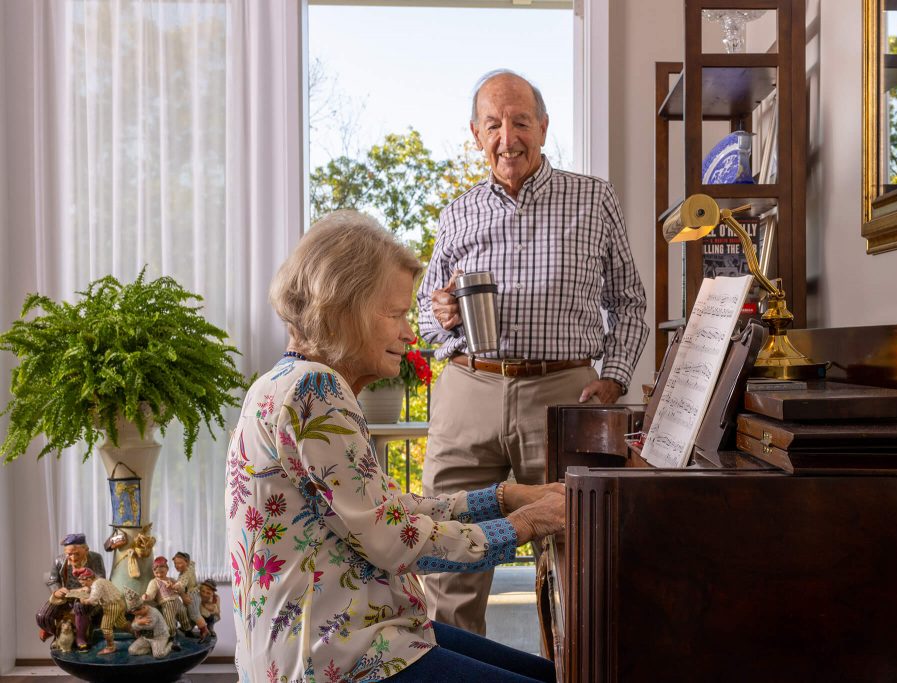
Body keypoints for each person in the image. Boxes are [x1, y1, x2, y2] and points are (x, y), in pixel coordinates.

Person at [226, 210, 564, 682]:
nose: (410, 332)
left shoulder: (280, 381)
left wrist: (504, 498)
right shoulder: (314, 391)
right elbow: (393, 540)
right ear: (343, 308)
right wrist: (525, 525)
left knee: (548, 674)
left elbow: (378, 511)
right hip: (332, 660)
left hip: (344, 637)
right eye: (396, 313)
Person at [416, 69, 649, 634]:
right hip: (468, 392)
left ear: (543, 127)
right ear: (475, 134)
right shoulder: (457, 213)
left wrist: (614, 379)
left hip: (563, 391)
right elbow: (426, 312)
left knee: (577, 554)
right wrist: (443, 317)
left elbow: (631, 304)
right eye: (493, 124)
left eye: (520, 121)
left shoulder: (594, 199)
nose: (507, 137)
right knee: (449, 559)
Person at [36, 532, 106, 649]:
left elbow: (101, 580)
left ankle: (80, 637)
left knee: (80, 606)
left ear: (86, 550)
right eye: (69, 554)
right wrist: (57, 590)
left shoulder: (96, 558)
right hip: (66, 596)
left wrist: (89, 587)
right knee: (42, 616)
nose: (73, 558)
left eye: (77, 554)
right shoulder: (59, 561)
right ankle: (54, 632)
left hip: (88, 596)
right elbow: (53, 580)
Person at [74, 567, 130, 655]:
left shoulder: (96, 584)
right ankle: (138, 633)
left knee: (105, 627)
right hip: (119, 602)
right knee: (121, 623)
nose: (83, 586)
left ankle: (110, 647)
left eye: (84, 583)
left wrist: (82, 599)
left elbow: (93, 601)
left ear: (88, 579)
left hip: (111, 605)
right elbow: (96, 593)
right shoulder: (100, 580)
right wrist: (87, 590)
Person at [143, 556, 191, 635]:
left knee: (183, 614)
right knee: (169, 620)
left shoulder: (171, 579)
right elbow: (151, 593)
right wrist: (147, 596)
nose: (159, 574)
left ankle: (187, 630)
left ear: (167, 570)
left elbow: (180, 588)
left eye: (162, 572)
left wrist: (175, 587)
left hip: (177, 601)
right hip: (167, 604)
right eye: (157, 573)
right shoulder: (154, 582)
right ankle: (171, 635)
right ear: (153, 572)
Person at [124, 588, 174, 659]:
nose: (135, 615)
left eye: (136, 613)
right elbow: (133, 627)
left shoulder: (153, 612)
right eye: (134, 614)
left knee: (158, 655)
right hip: (146, 638)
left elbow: (149, 626)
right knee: (132, 650)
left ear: (142, 608)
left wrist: (137, 623)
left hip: (159, 637)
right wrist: (138, 622)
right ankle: (150, 649)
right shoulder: (138, 615)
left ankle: (170, 645)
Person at [172, 551, 211, 640]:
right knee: (189, 613)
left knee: (194, 614)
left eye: (180, 563)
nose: (177, 566)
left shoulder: (185, 574)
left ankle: (204, 631)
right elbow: (193, 563)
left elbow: (181, 583)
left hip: (191, 595)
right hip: (193, 593)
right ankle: (188, 628)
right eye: (175, 563)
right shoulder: (190, 567)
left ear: (187, 562)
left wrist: (175, 586)